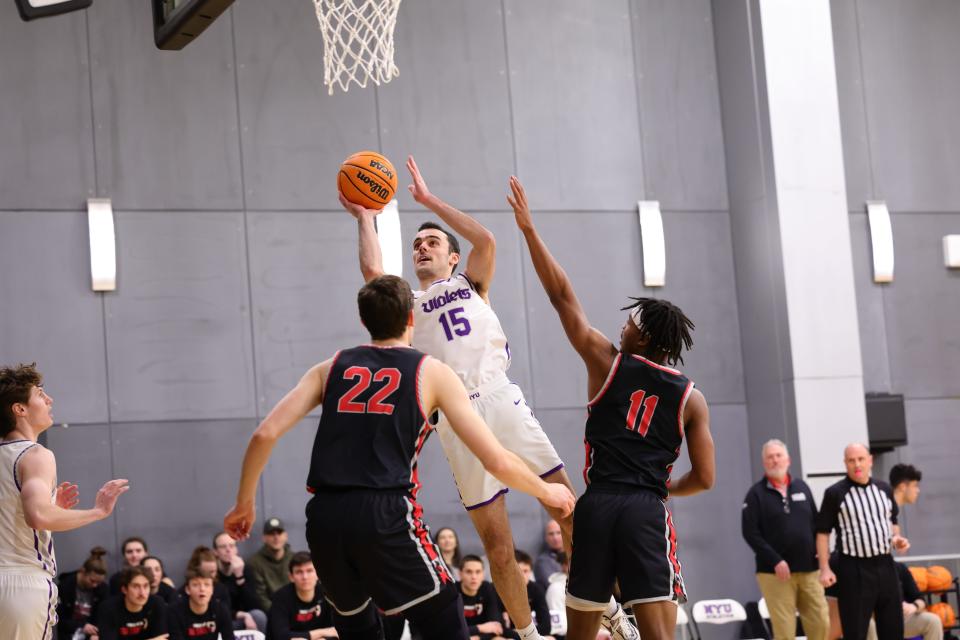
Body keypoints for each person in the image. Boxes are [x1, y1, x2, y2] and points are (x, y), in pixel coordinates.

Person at [223, 275, 575, 640]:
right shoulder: (431, 372)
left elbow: (264, 434)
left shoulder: (331, 367)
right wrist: (546, 492)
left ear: (364, 321)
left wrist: (244, 503)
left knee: (356, 625)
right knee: (443, 610)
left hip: (325, 517)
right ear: (412, 319)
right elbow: (495, 461)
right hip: (386, 512)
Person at [343, 156, 595, 640]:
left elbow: (487, 239)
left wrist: (429, 201)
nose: (421, 248)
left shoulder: (471, 283)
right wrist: (365, 217)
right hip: (455, 419)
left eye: (432, 242)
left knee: (569, 511)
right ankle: (527, 635)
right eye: (416, 244)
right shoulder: (406, 308)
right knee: (497, 544)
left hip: (500, 398)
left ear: (452, 257)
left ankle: (597, 610)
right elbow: (375, 271)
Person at [508, 177, 716, 640]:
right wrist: (663, 488)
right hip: (645, 508)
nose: (623, 324)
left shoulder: (606, 361)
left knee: (582, 634)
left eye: (631, 322)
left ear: (645, 339)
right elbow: (704, 478)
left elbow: (562, 297)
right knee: (659, 636)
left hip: (597, 506)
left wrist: (528, 231)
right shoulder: (691, 398)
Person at [0, 362, 129, 640]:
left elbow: (16, 511)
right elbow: (37, 516)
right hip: (21, 584)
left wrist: (52, 505)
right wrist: (98, 511)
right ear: (19, 409)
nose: (49, 399)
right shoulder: (36, 454)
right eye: (40, 394)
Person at [816, 443, 909, 640]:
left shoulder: (884, 489)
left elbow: (892, 522)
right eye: (851, 460)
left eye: (860, 459)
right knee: (855, 631)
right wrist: (824, 568)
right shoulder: (835, 493)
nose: (857, 464)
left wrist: (897, 539)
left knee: (893, 629)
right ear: (845, 463)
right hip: (853, 568)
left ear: (870, 461)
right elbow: (823, 533)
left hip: (885, 566)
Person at [741, 439, 829, 639]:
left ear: (788, 460)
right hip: (775, 574)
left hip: (810, 571)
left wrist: (823, 559)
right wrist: (775, 560)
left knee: (821, 622)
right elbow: (750, 533)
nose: (775, 461)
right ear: (764, 463)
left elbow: (816, 524)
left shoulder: (802, 487)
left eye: (778, 456)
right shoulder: (755, 494)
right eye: (770, 457)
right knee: (785, 630)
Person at [268, 551, 338, 639]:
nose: (305, 577)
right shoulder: (280, 598)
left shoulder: (327, 593)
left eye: (309, 571)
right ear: (291, 577)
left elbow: (335, 631)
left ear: (318, 574)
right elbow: (281, 635)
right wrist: (321, 633)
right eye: (299, 572)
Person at [212, 530, 267, 631]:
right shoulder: (212, 572)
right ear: (215, 552)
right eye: (223, 547)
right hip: (222, 621)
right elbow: (215, 607)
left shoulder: (245, 569)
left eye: (232, 546)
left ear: (236, 549)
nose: (228, 550)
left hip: (244, 620)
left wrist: (239, 577)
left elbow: (254, 605)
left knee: (259, 616)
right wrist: (240, 615)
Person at [96, 566, 168, 640]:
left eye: (146, 586)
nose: (142, 593)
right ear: (124, 590)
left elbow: (161, 638)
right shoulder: (108, 608)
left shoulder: (157, 604)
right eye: (136, 586)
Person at [56, 546, 110, 640]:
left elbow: (104, 617)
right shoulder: (65, 586)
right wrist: (82, 626)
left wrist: (97, 634)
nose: (95, 585)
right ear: (82, 571)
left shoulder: (103, 589)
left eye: (99, 582)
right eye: (92, 581)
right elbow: (59, 619)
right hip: (67, 634)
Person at [167, 568, 234, 640]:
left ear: (212, 589)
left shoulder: (221, 610)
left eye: (207, 584)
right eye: (196, 585)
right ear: (188, 590)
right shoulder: (175, 612)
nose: (202, 589)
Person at [247, 517, 294, 611]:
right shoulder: (254, 562)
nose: (276, 537)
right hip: (271, 612)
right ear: (264, 538)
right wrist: (278, 613)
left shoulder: (294, 558)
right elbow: (260, 597)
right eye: (271, 533)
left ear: (286, 536)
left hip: (296, 610)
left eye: (279, 533)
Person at [459, 555, 507, 640]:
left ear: (483, 574)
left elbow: (497, 627)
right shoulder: (453, 592)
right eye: (469, 572)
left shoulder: (487, 588)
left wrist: (477, 638)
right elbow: (449, 631)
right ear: (460, 574)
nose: (474, 577)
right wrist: (480, 628)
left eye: (478, 572)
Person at [511, 551, 552, 639]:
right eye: (518, 571)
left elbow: (546, 627)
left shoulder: (536, 589)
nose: (522, 576)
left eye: (525, 571)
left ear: (531, 572)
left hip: (525, 633)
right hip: (508, 637)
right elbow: (497, 628)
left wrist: (522, 633)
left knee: (550, 638)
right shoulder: (496, 590)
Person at [534, 521, 564, 590]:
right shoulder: (542, 562)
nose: (555, 538)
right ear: (546, 538)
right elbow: (553, 586)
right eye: (551, 534)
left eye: (559, 533)